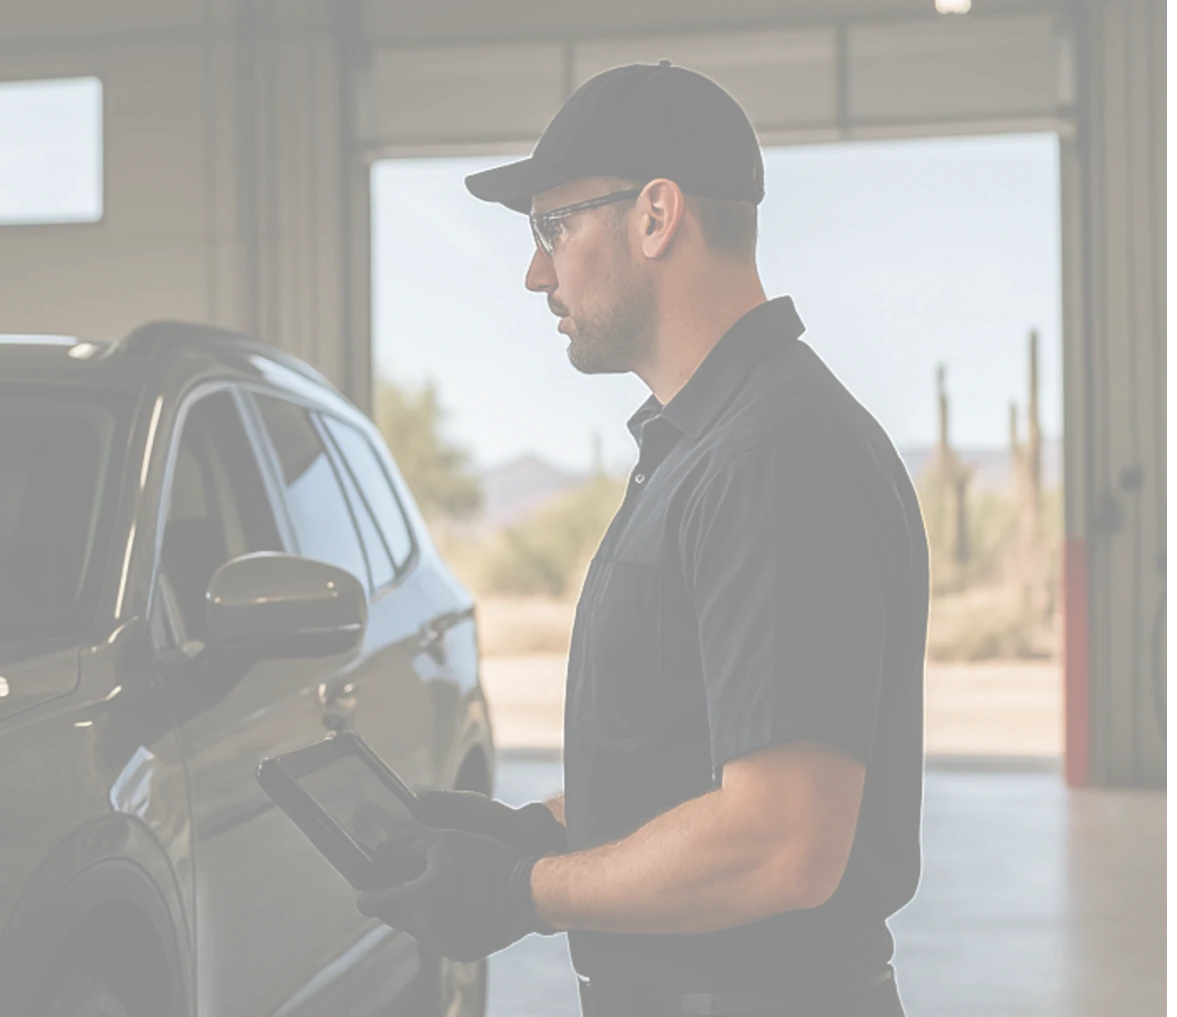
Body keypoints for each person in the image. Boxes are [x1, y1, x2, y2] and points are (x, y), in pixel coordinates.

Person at [354, 63, 931, 1017]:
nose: (536, 271)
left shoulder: (774, 458)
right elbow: (695, 762)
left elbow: (782, 839)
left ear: (656, 217)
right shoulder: (707, 447)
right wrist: (534, 835)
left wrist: (519, 895)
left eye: (555, 227)